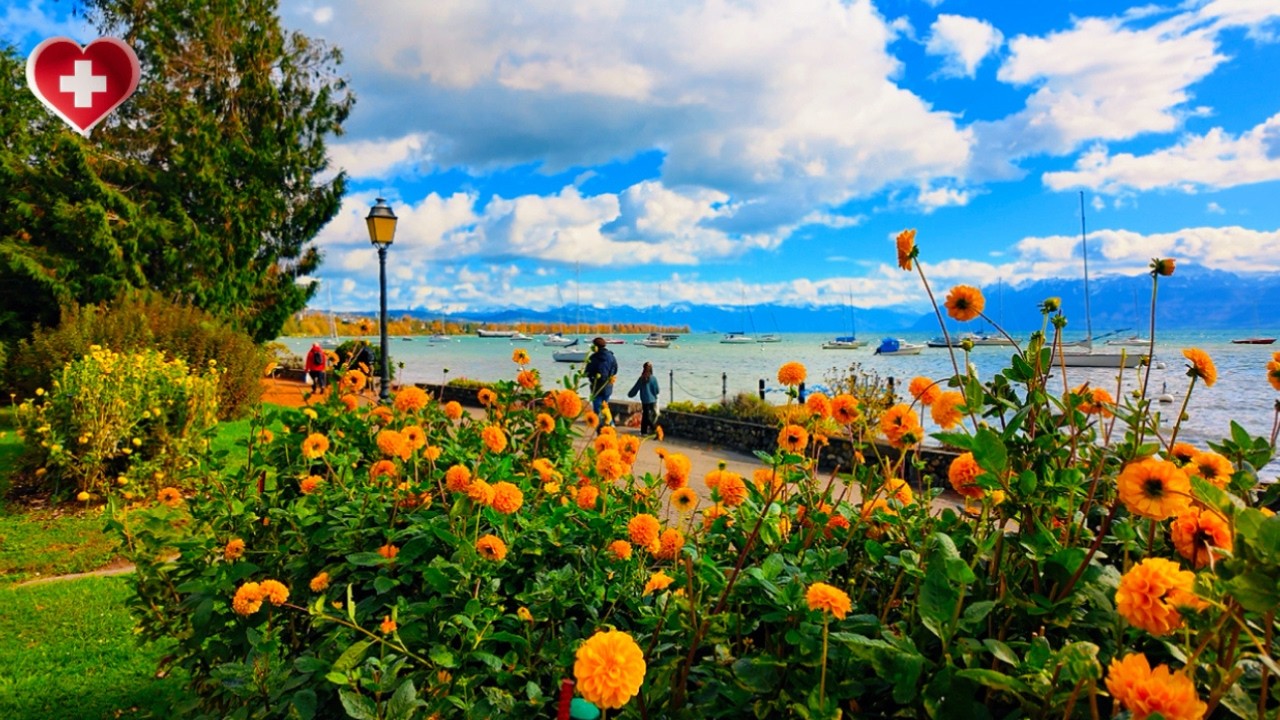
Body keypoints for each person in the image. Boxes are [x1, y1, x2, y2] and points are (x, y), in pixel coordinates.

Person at [583, 337, 618, 431]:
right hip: (608, 385)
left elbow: (587, 371)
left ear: (595, 346)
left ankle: (602, 428)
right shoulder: (611, 356)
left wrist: (590, 377)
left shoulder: (593, 358)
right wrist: (609, 376)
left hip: (596, 386)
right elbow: (615, 369)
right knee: (605, 406)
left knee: (597, 409)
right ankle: (610, 425)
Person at [627, 361, 660, 435]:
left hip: (645, 400)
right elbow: (657, 390)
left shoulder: (641, 379)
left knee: (646, 416)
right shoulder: (653, 378)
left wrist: (630, 394)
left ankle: (649, 430)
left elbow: (635, 388)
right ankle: (646, 430)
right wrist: (654, 395)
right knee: (648, 416)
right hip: (653, 400)